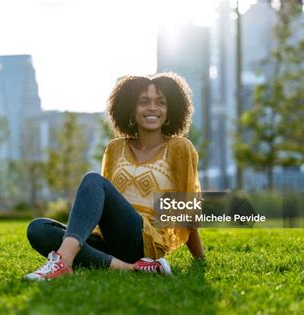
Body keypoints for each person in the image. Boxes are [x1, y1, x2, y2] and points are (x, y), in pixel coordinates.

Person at [23, 72, 204, 281]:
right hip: (109, 240)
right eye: (143, 102)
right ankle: (133, 269)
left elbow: (187, 210)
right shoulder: (115, 148)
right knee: (39, 229)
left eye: (160, 102)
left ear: (170, 108)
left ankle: (62, 262)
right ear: (130, 108)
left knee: (93, 179)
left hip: (144, 241)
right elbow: (101, 203)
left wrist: (200, 259)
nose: (152, 108)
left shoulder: (179, 147)